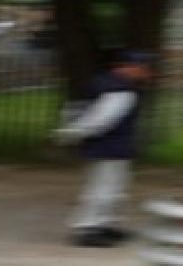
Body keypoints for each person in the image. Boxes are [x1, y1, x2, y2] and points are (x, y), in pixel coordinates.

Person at [53, 50, 155, 247]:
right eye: (144, 68)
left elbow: (82, 111)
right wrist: (72, 133)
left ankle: (104, 225)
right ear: (129, 67)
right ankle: (88, 228)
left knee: (113, 189)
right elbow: (101, 120)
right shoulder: (120, 90)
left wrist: (71, 132)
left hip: (113, 147)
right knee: (103, 189)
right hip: (109, 147)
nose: (147, 73)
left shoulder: (111, 84)